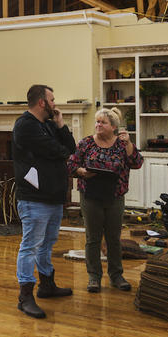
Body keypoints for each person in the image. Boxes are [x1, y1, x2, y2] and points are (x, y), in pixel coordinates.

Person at [12, 84, 77, 319]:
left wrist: (60, 125)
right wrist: (61, 148)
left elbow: (70, 149)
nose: (54, 104)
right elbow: (56, 151)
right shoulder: (25, 125)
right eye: (52, 100)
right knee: (30, 245)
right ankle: (25, 296)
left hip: (52, 196)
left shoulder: (48, 125)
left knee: (47, 243)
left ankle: (47, 285)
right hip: (34, 198)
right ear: (42, 102)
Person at [67, 107, 143, 293]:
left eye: (103, 122)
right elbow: (70, 165)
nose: (98, 125)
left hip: (115, 197)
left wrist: (129, 144)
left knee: (113, 239)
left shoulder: (121, 144)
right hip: (90, 196)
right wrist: (81, 172)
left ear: (114, 126)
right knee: (92, 238)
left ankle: (117, 276)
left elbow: (137, 163)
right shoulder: (86, 143)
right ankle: (94, 277)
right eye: (97, 121)